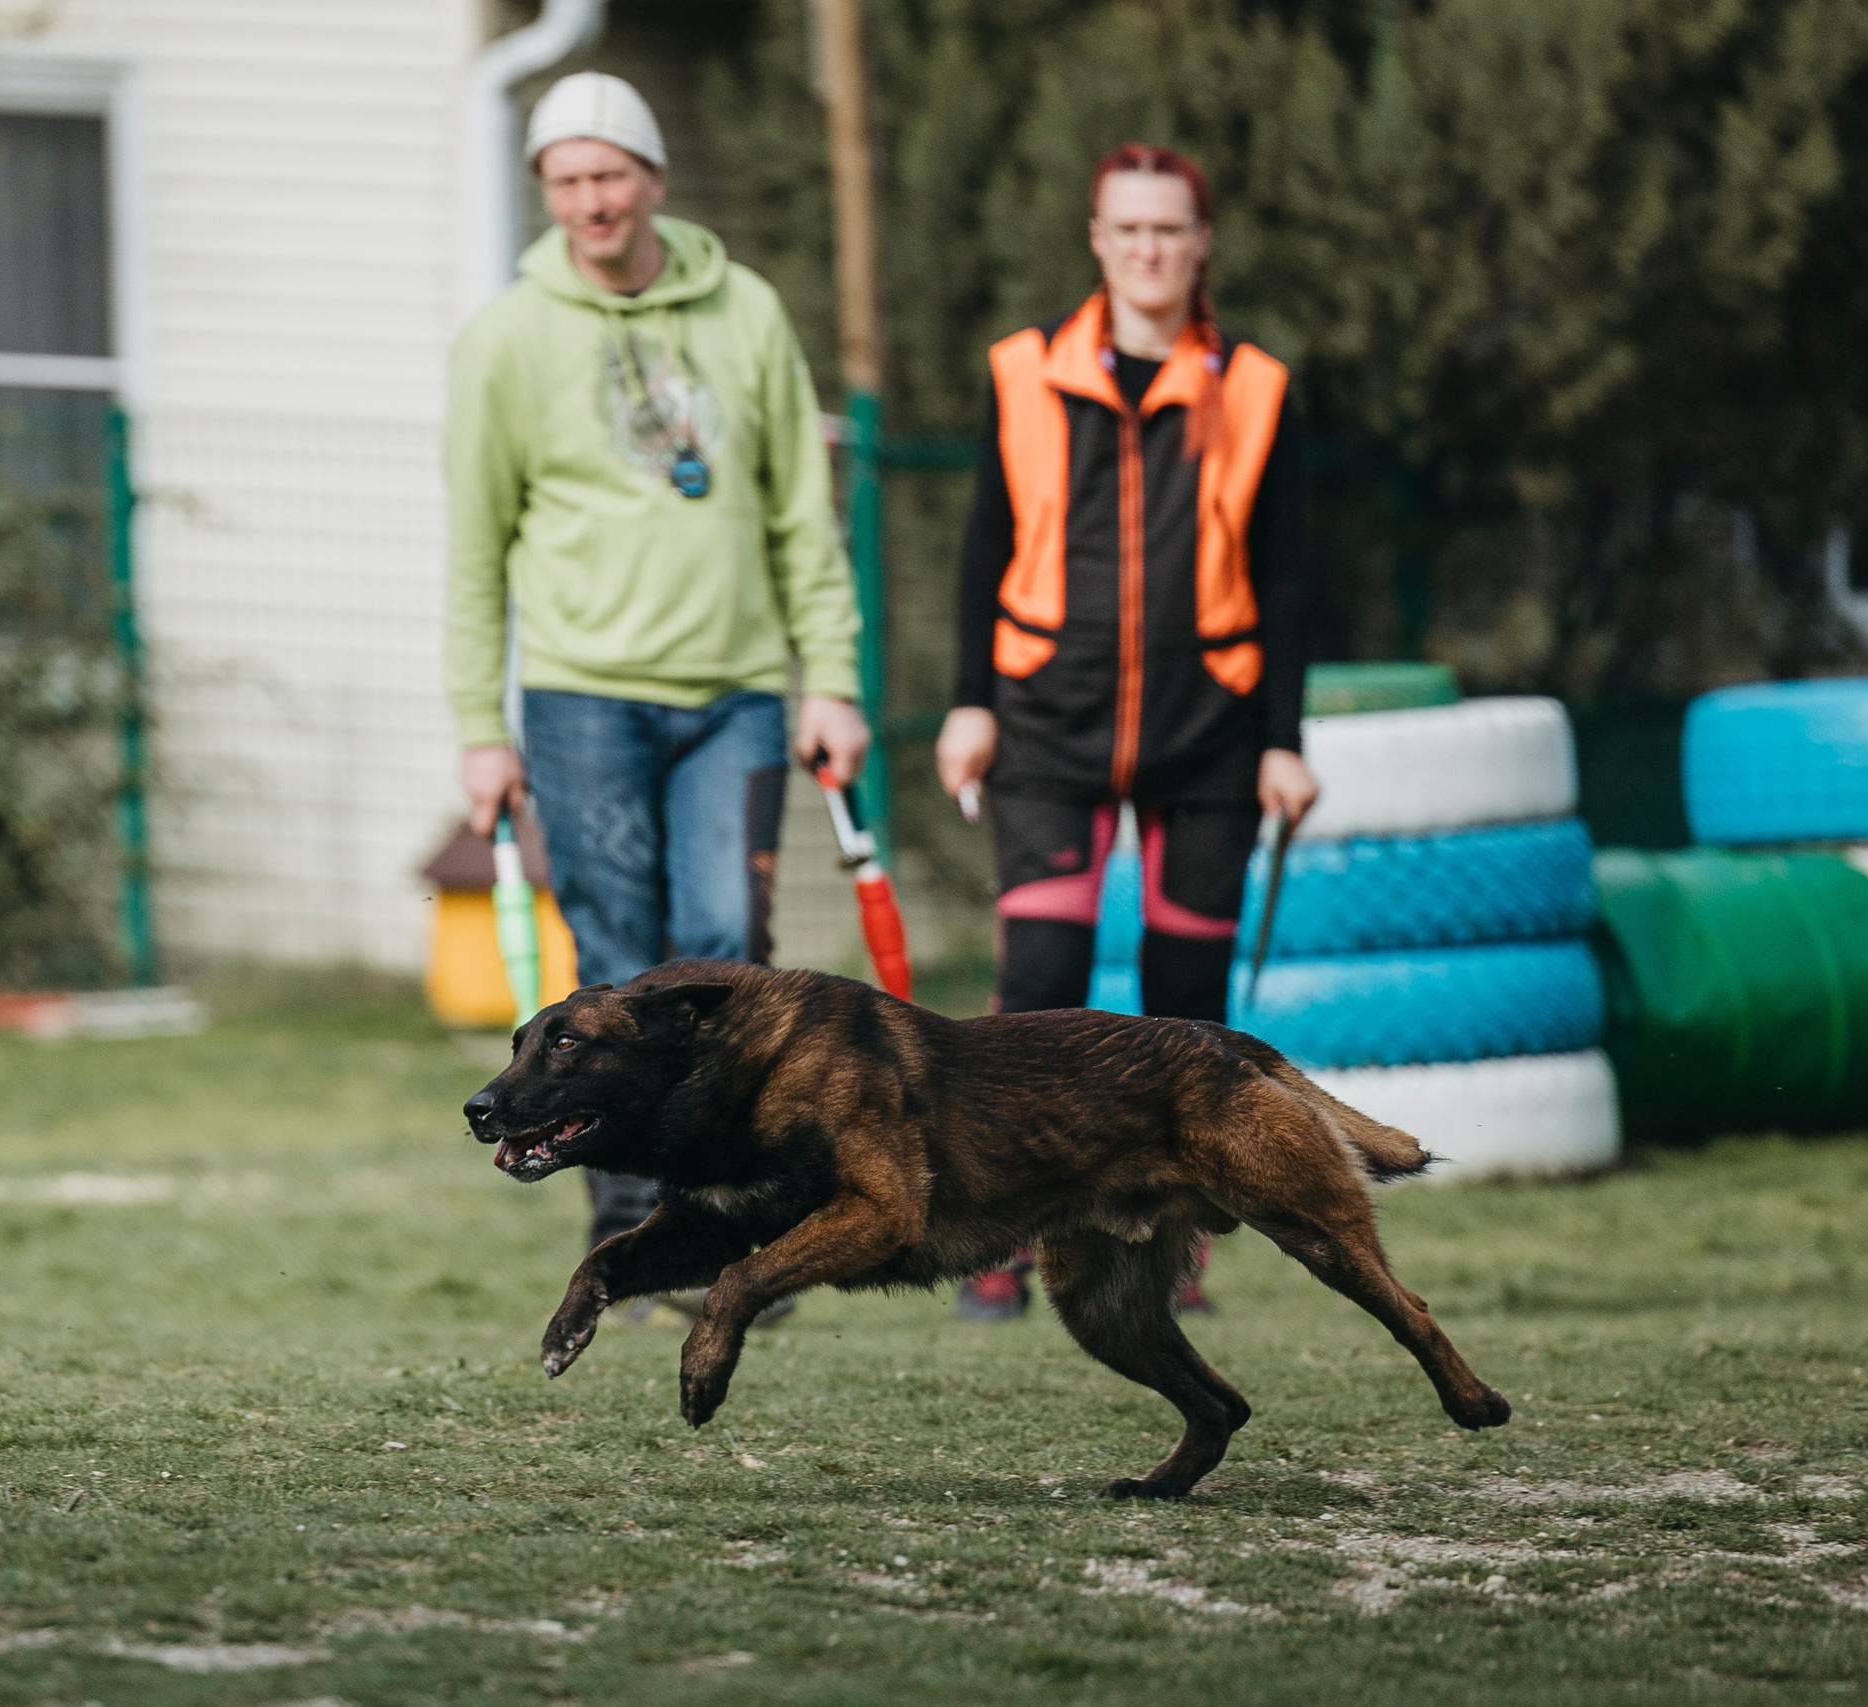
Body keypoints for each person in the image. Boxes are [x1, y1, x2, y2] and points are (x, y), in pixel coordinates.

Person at [446, 72, 871, 1282]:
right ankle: (633, 1228)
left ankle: (754, 1215)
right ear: (548, 194)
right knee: (613, 951)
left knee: (726, 959)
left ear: (652, 181)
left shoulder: (742, 313)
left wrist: (828, 679)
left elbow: (802, 514)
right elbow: (476, 550)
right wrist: (481, 727)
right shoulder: (507, 340)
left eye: (609, 175)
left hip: (735, 694)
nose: (591, 201)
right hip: (582, 698)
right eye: (567, 180)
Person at [934, 144, 1320, 1321]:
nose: (1148, 250)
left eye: (1169, 231)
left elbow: (1288, 575)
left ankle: (1167, 1252)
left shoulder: (1254, 385)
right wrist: (968, 702)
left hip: (1210, 732)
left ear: (1201, 245)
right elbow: (983, 549)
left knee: (1185, 1012)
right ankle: (997, 1243)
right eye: (1127, 230)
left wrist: (1281, 737)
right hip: (1046, 722)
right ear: (1095, 241)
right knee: (1037, 991)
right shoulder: (1021, 371)